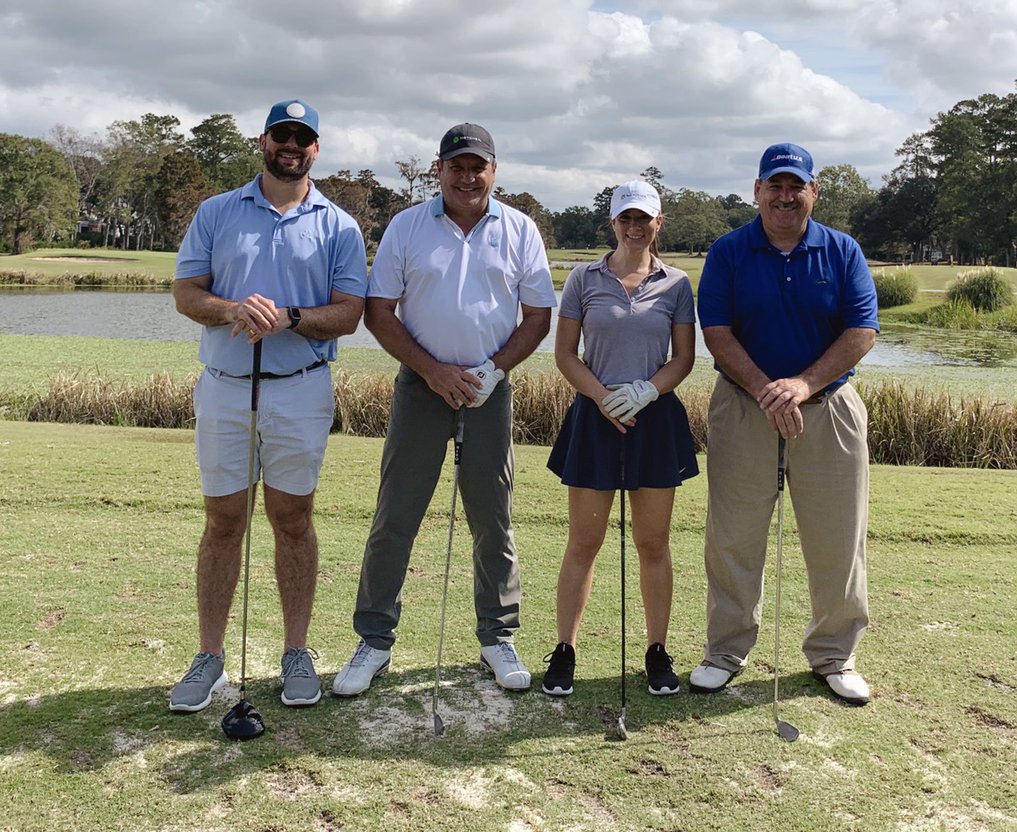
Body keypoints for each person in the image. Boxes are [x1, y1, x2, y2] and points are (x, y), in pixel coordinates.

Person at [333, 123, 556, 697]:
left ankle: (497, 637)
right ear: (439, 170)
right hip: (420, 386)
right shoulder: (408, 226)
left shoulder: (520, 230)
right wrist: (432, 369)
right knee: (395, 515)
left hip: (489, 389)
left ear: (494, 171)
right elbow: (380, 311)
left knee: (493, 517)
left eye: (477, 166)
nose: (467, 176)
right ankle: (375, 641)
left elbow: (537, 317)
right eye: (456, 166)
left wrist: (493, 371)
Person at [169, 100, 367, 713]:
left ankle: (296, 653)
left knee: (292, 521)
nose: (292, 146)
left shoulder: (339, 225)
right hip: (226, 384)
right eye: (282, 135)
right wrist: (233, 310)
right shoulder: (217, 212)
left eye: (303, 139)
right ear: (263, 140)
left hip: (301, 385)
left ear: (316, 148)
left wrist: (289, 317)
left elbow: (350, 313)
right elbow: (185, 292)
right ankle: (208, 656)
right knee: (224, 521)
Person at [690, 143, 878, 706]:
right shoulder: (729, 252)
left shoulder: (842, 251)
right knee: (733, 536)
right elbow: (717, 332)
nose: (785, 196)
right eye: (775, 185)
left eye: (796, 186)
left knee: (837, 538)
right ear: (757, 190)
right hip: (743, 408)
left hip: (828, 411)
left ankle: (834, 654)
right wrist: (767, 391)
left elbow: (861, 331)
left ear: (813, 193)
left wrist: (801, 385)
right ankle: (725, 650)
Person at [541, 179, 697, 699]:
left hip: (654, 421)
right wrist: (604, 397)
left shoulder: (676, 284)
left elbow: (683, 360)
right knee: (584, 542)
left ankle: (656, 650)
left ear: (659, 223)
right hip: (595, 417)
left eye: (644, 219)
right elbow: (565, 354)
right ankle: (565, 649)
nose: (634, 228)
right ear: (613, 223)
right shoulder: (583, 279)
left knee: (652, 543)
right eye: (625, 219)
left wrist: (647, 392)